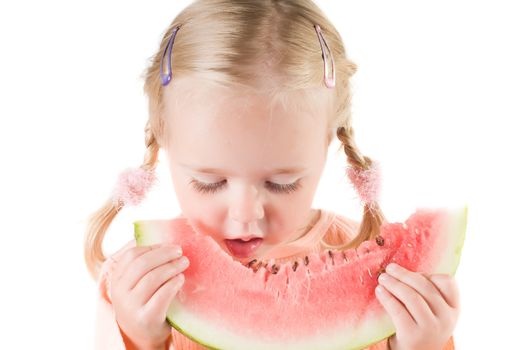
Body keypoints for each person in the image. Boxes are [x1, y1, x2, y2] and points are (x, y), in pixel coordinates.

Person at [84, 1, 459, 349]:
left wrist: (424, 343)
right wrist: (140, 338)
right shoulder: (137, 283)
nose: (245, 214)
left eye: (282, 183)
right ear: (163, 141)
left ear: (328, 145)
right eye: (210, 182)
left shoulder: (382, 275)